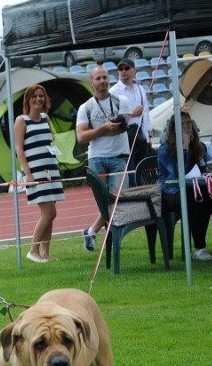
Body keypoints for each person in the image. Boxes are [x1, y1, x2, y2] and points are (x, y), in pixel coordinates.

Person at [157, 111, 212, 262]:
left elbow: (202, 169)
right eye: (181, 124)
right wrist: (184, 147)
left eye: (188, 123)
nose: (186, 126)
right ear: (173, 127)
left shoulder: (198, 146)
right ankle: (200, 248)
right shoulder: (165, 149)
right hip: (171, 193)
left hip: (193, 189)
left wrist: (211, 167)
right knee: (200, 198)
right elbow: (178, 174)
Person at [77, 65, 132, 251]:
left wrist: (99, 131)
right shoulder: (85, 107)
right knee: (104, 203)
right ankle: (111, 241)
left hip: (119, 157)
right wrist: (104, 129)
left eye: (105, 77)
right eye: (98, 78)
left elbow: (123, 126)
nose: (102, 81)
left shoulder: (121, 101)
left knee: (116, 201)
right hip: (97, 159)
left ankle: (91, 231)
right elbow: (81, 137)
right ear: (91, 82)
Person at [13, 84, 65, 263]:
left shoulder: (45, 118)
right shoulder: (21, 120)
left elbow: (50, 141)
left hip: (50, 169)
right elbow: (19, 149)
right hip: (34, 172)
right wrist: (28, 174)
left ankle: (45, 252)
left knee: (52, 212)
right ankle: (33, 250)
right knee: (48, 213)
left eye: (41, 96)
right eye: (34, 96)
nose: (38, 99)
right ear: (28, 99)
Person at [110, 58, 153, 178]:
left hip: (142, 137)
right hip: (125, 138)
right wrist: (132, 113)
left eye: (126, 68)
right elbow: (112, 117)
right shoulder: (114, 91)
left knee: (143, 171)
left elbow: (146, 113)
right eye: (120, 69)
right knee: (130, 172)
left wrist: (148, 135)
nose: (123, 71)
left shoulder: (140, 89)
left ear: (134, 70)